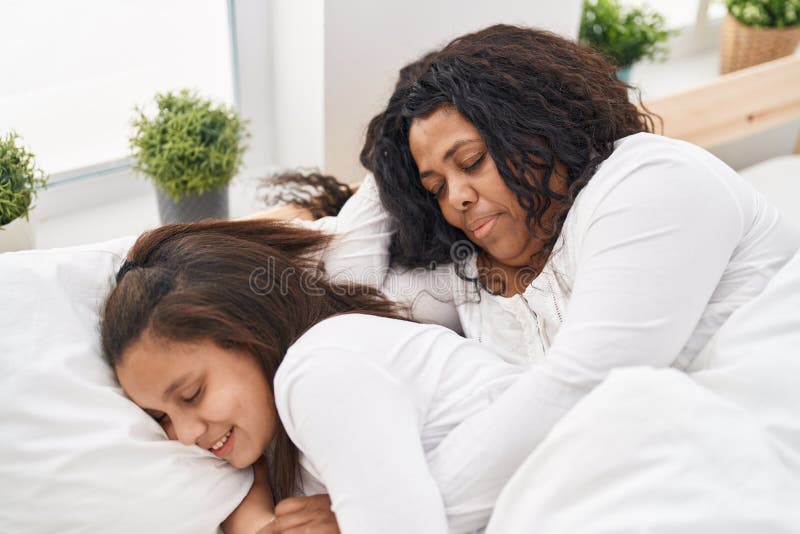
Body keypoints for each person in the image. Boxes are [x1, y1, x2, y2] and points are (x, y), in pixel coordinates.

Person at [100, 219, 540, 534]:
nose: (186, 435)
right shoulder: (277, 447)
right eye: (161, 418)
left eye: (193, 394)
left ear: (250, 331)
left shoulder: (319, 370)